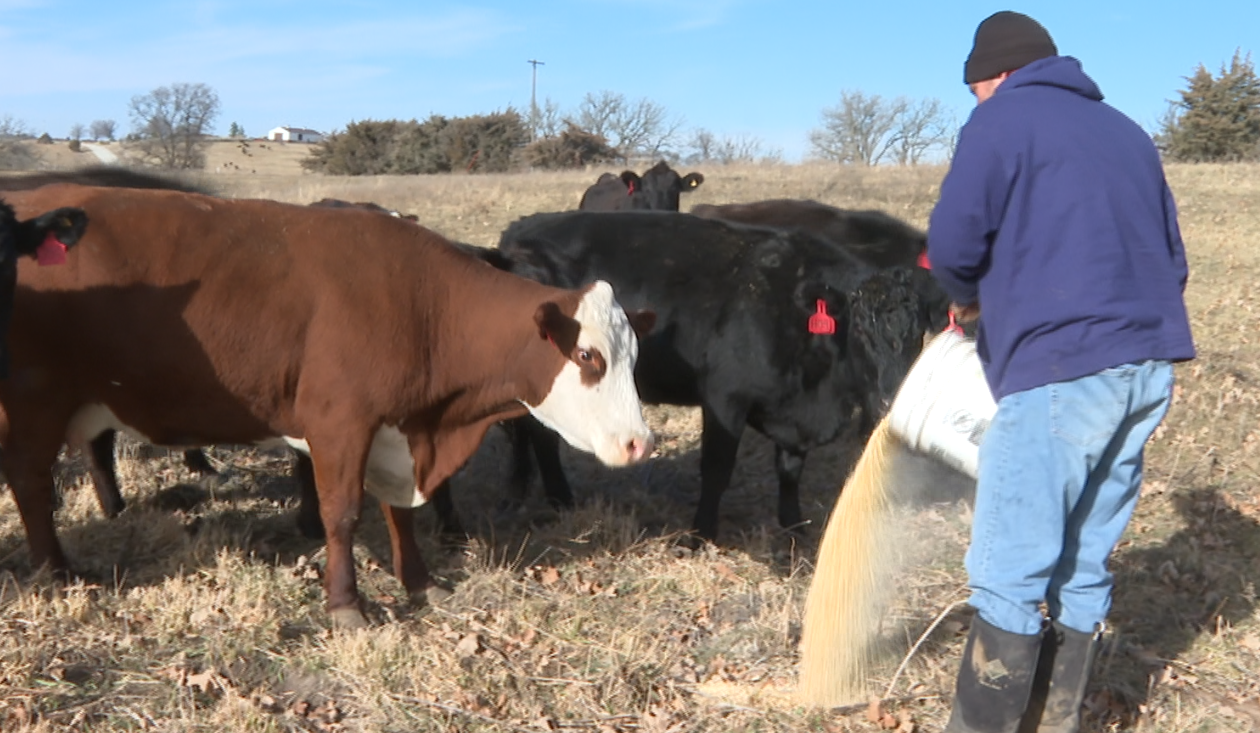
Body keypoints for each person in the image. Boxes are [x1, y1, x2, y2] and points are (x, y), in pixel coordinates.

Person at [926, 11, 1196, 733]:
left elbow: (953, 240)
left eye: (976, 90)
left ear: (995, 77)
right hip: (1147, 369)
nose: (977, 102)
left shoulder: (1001, 121)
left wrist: (966, 295)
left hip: (1059, 369)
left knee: (1009, 565)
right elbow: (1174, 261)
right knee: (1081, 557)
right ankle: (1056, 720)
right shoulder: (1129, 133)